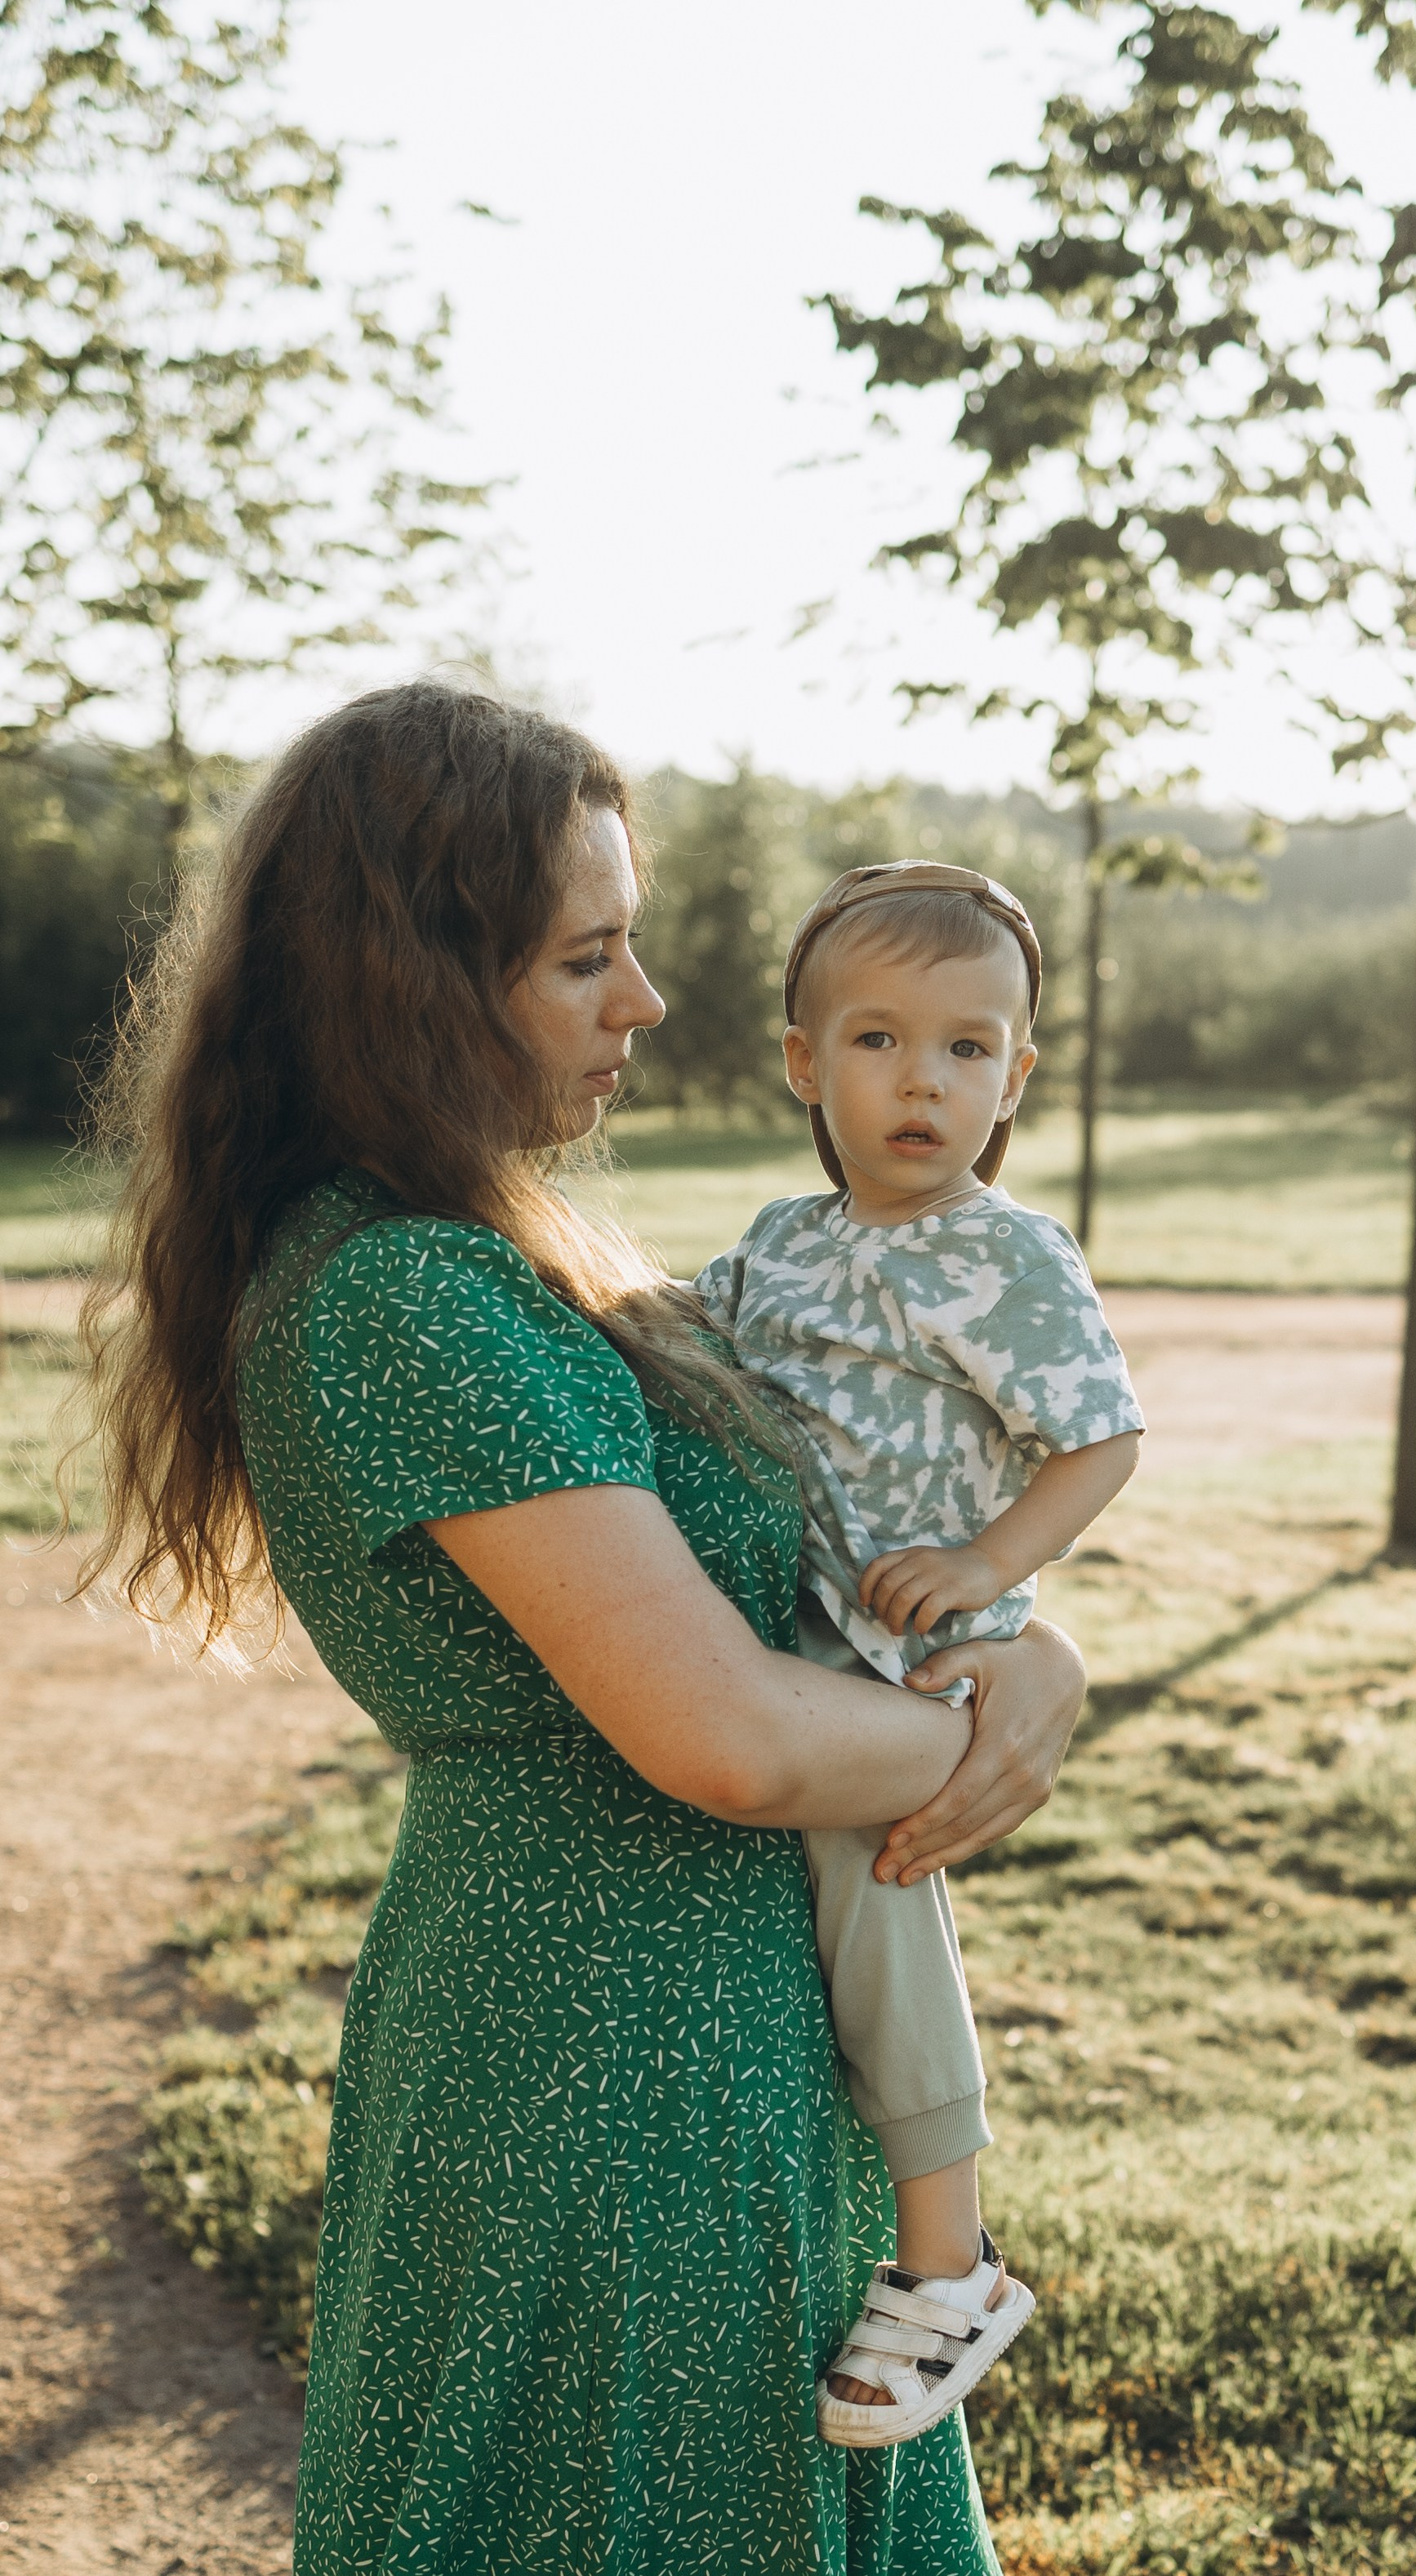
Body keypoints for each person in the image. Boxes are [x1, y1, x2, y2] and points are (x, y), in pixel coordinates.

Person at [77, 679, 1087, 2576]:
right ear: (410, 985)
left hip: (704, 2022)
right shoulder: (406, 1296)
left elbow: (835, 1549)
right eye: (583, 957)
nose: (646, 1001)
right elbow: (728, 1732)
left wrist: (1025, 1642)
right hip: (606, 2054)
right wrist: (993, 1728)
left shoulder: (501, 1250)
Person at [697, 862, 1144, 2448]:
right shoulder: (779, 1242)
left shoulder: (1004, 1254)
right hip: (788, 1615)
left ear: (1013, 1078)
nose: (922, 1081)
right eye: (878, 1039)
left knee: (877, 1883)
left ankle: (950, 2261)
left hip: (910, 1645)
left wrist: (990, 1566)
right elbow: (678, 1344)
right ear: (803, 1060)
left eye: (967, 1048)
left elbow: (1100, 1439)